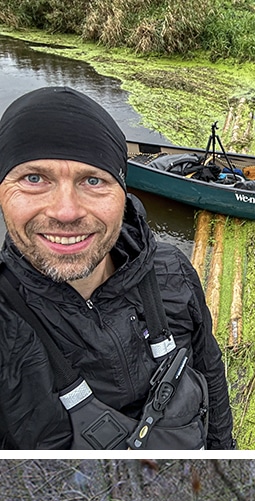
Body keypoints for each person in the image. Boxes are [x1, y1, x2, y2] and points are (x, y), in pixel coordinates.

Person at [0, 85, 235, 448]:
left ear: (123, 193)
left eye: (93, 180)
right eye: (34, 179)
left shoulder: (171, 271)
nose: (66, 212)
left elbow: (211, 375)